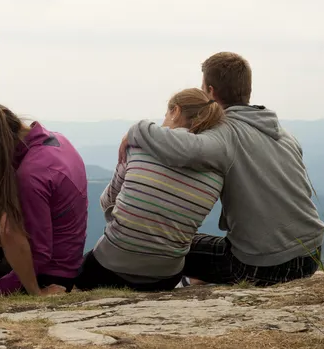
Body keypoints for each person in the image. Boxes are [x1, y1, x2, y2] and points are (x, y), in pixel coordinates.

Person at [119, 52, 324, 287]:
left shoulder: (225, 134)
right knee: (208, 249)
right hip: (311, 254)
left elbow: (183, 149)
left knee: (168, 248)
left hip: (265, 266)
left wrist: (137, 130)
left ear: (210, 91)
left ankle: (180, 288)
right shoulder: (283, 133)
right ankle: (196, 283)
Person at [76, 88, 225, 291]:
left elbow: (106, 201)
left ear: (176, 111)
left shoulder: (138, 146)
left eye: (166, 114)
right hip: (166, 276)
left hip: (109, 265)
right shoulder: (217, 168)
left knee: (77, 274)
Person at [0, 101, 88, 298]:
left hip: (51, 272)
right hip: (64, 256)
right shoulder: (56, 139)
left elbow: (40, 254)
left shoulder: (31, 176)